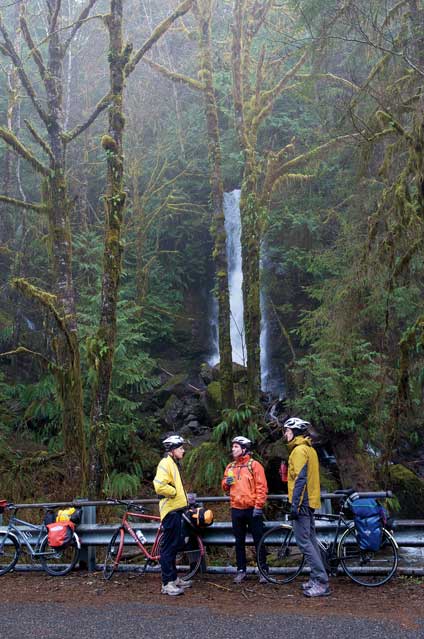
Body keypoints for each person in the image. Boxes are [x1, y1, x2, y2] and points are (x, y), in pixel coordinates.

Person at [283, 417, 330, 598]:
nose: (285, 434)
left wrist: (294, 505)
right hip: (310, 501)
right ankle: (315, 577)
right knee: (310, 540)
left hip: (302, 503)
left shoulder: (299, 451)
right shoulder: (310, 449)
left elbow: (300, 479)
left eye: (287, 431)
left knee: (304, 543)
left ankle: (321, 581)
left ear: (294, 432)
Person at [222, 435, 268, 584]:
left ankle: (263, 570)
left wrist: (259, 506)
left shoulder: (254, 465)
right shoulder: (230, 467)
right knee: (239, 542)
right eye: (233, 446)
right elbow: (224, 487)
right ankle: (241, 570)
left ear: (244, 449)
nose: (233, 449)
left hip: (252, 509)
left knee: (258, 540)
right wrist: (226, 483)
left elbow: (262, 487)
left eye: (236, 447)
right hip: (236, 508)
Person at [153, 434, 191, 596]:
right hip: (170, 511)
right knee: (168, 548)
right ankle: (167, 583)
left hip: (176, 510)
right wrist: (174, 492)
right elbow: (159, 486)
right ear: (173, 449)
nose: (183, 450)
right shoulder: (165, 463)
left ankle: (174, 579)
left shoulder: (173, 464)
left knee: (175, 545)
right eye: (181, 448)